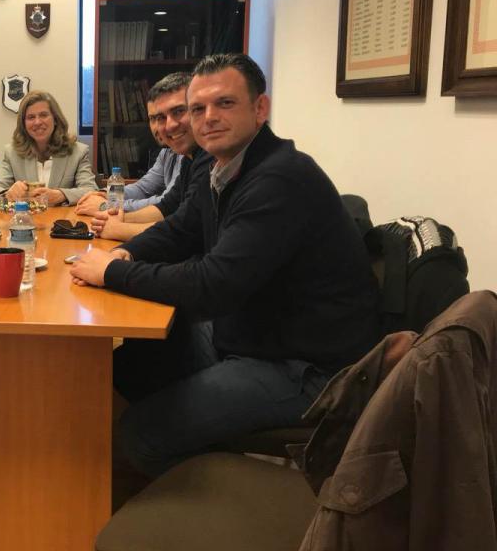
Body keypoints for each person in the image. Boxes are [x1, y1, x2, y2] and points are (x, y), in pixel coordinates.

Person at [70, 53, 380, 477]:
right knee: (131, 364)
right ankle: (204, 438)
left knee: (140, 432)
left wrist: (112, 272)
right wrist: (128, 253)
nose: (208, 117)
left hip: (309, 367)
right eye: (198, 108)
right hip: (257, 333)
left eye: (225, 103)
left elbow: (212, 287)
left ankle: (224, 492)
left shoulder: (278, 179)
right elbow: (181, 229)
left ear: (260, 108)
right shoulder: (225, 167)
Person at [84, 73, 211, 242]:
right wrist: (107, 198)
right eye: (156, 118)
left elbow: (183, 227)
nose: (168, 125)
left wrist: (109, 212)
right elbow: (160, 201)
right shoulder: (177, 155)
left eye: (179, 111)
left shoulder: (209, 155)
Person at [75, 80, 183, 217]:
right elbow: (143, 188)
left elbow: (167, 204)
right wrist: (105, 194)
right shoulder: (167, 152)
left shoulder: (194, 158)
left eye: (178, 112)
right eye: (153, 118)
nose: (160, 127)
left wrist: (107, 206)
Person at [0, 90, 98, 206]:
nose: (37, 122)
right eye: (31, 117)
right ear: (24, 124)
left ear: (55, 119)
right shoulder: (12, 153)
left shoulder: (78, 152)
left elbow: (91, 190)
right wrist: (8, 193)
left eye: (43, 115)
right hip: (25, 217)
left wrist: (61, 195)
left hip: (62, 217)